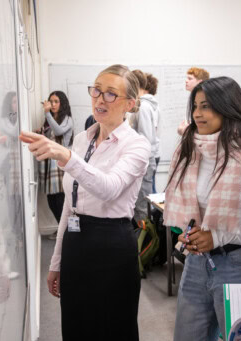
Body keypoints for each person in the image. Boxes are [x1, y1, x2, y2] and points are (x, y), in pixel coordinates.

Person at [19, 64, 150, 340]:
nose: (100, 99)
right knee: (77, 325)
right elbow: (70, 204)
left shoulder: (136, 145)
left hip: (112, 244)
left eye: (111, 94)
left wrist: (66, 157)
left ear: (130, 103)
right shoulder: (82, 139)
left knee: (113, 327)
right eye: (97, 91)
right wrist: (56, 262)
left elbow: (109, 188)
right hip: (77, 245)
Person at [163, 77, 241, 341]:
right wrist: (190, 232)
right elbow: (194, 210)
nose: (197, 113)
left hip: (240, 264)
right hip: (196, 263)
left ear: (227, 108)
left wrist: (218, 237)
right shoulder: (190, 152)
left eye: (206, 106)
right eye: (195, 106)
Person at [37, 91, 74, 229]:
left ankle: (67, 233)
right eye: (51, 101)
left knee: (60, 201)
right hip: (50, 164)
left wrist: (47, 113)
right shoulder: (51, 119)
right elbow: (49, 135)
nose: (52, 104)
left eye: (56, 101)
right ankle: (63, 231)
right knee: (51, 200)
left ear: (62, 103)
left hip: (60, 165)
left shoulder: (68, 119)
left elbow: (58, 131)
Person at [130, 69, 159, 222]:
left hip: (145, 160)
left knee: (142, 207)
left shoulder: (143, 107)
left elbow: (146, 138)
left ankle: (147, 244)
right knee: (140, 204)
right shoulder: (143, 106)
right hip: (144, 159)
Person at [177, 67, 210, 135]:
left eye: (190, 79)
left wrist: (186, 131)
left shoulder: (206, 100)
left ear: (200, 82)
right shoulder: (192, 97)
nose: (186, 81)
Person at [145, 73, 161, 193]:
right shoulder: (154, 105)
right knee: (151, 187)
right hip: (154, 152)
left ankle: (155, 212)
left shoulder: (145, 106)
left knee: (149, 190)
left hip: (150, 153)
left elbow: (146, 134)